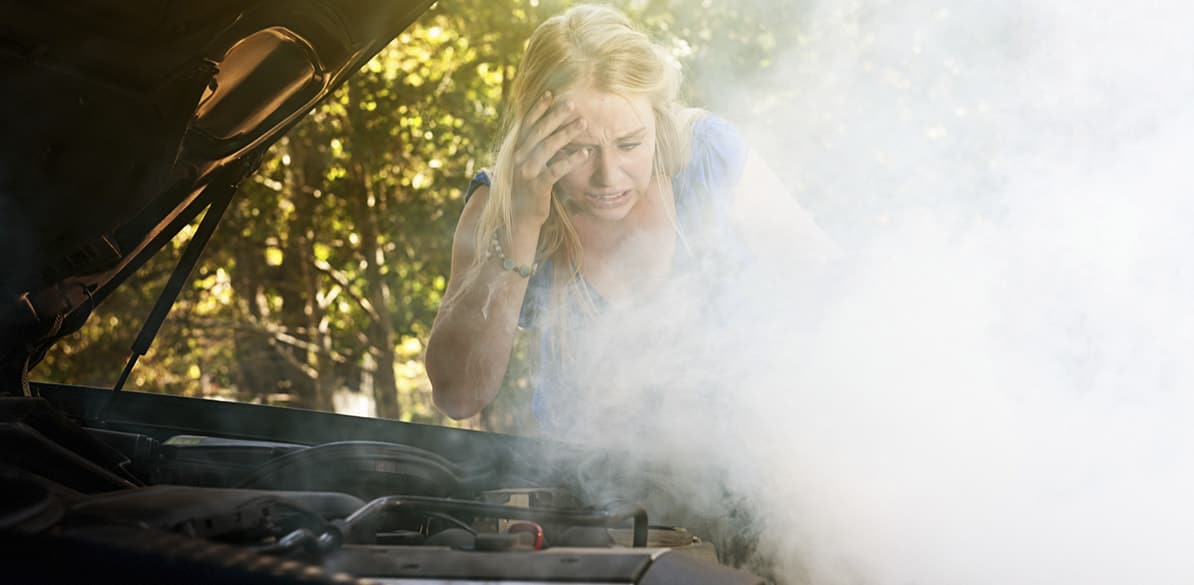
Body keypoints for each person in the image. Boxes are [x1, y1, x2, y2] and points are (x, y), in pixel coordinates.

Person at [425, 4, 832, 428]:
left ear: (657, 117)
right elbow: (457, 396)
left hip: (747, 466)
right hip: (585, 485)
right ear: (533, 131)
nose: (608, 177)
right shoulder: (501, 201)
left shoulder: (708, 158)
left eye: (631, 144)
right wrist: (522, 224)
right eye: (575, 149)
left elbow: (830, 292)